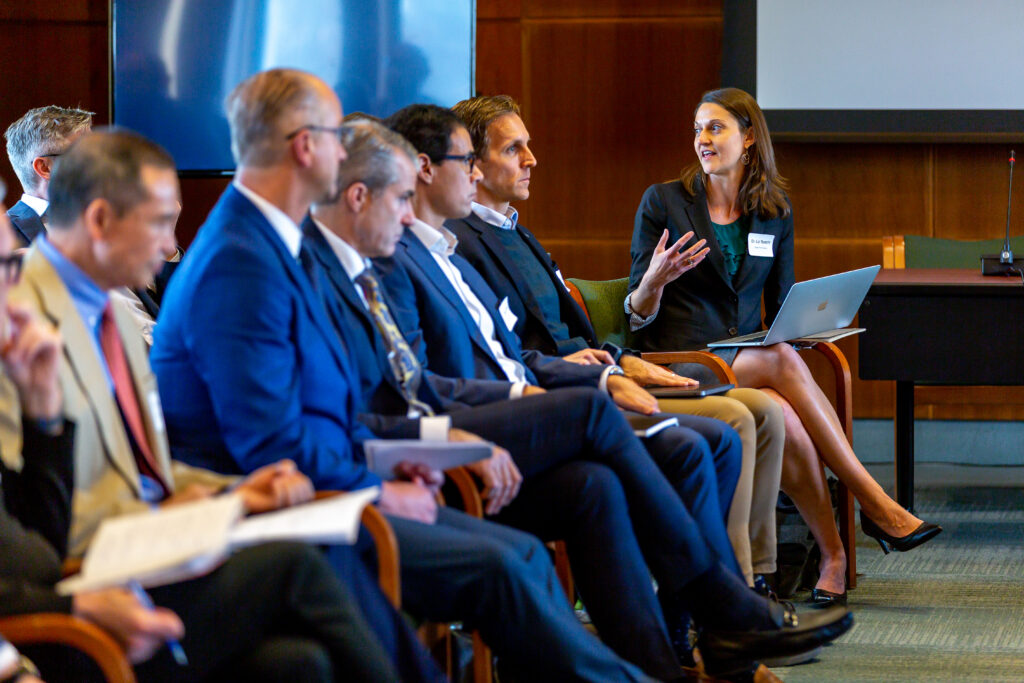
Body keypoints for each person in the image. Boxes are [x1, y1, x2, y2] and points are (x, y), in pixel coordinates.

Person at [151, 68, 663, 682]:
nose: (347, 151)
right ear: (305, 147)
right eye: (336, 137)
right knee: (503, 565)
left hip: (335, 486)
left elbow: (336, 416)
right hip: (291, 521)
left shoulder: (271, 242)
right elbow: (269, 448)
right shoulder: (242, 260)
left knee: (525, 548)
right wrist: (381, 483)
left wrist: (409, 451)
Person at [307, 115, 754, 678]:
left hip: (490, 410)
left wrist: (602, 364)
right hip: (450, 439)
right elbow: (402, 392)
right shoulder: (382, 262)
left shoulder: (452, 249)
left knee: (602, 481)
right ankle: (720, 606)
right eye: (486, 155)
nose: (403, 213)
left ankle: (668, 656)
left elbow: (498, 350)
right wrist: (447, 436)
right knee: (657, 430)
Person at [0, 178, 435, 683]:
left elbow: (73, 502)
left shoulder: (103, 318)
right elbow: (60, 529)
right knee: (303, 564)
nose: (172, 247)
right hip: (72, 608)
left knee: (300, 661)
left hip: (102, 577)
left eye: (13, 265)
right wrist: (72, 604)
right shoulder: (38, 332)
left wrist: (227, 494)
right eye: (162, 224)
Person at [448, 94, 785, 589]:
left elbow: (577, 333)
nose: (531, 159)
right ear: (472, 165)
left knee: (768, 412)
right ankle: (730, 586)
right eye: (513, 149)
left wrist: (623, 361)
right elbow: (503, 353)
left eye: (529, 145)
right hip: (566, 394)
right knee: (736, 418)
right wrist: (611, 370)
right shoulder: (462, 244)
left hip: (603, 371)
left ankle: (759, 574)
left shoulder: (518, 234)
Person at [626, 87, 943, 606]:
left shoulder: (773, 211)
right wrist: (654, 282)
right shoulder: (663, 202)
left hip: (753, 361)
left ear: (749, 138)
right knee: (780, 360)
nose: (702, 139)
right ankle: (874, 502)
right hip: (683, 361)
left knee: (785, 412)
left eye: (716, 128)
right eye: (698, 129)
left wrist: (811, 326)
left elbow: (782, 310)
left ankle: (834, 554)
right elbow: (636, 315)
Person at [4, 105, 180, 343]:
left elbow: (178, 305)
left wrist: (166, 249)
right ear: (44, 168)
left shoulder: (111, 217)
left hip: (165, 350)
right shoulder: (8, 235)